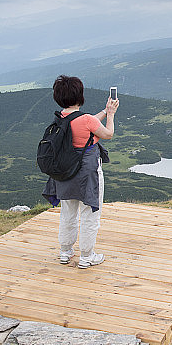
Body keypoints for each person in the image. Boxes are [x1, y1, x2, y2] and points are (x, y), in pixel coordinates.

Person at [42, 75, 118, 268]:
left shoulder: (61, 117)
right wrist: (111, 114)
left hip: (64, 173)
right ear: (80, 95)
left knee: (68, 212)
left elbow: (85, 122)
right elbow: (107, 134)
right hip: (86, 174)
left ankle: (65, 252)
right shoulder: (85, 120)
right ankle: (87, 256)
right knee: (90, 213)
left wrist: (103, 110)